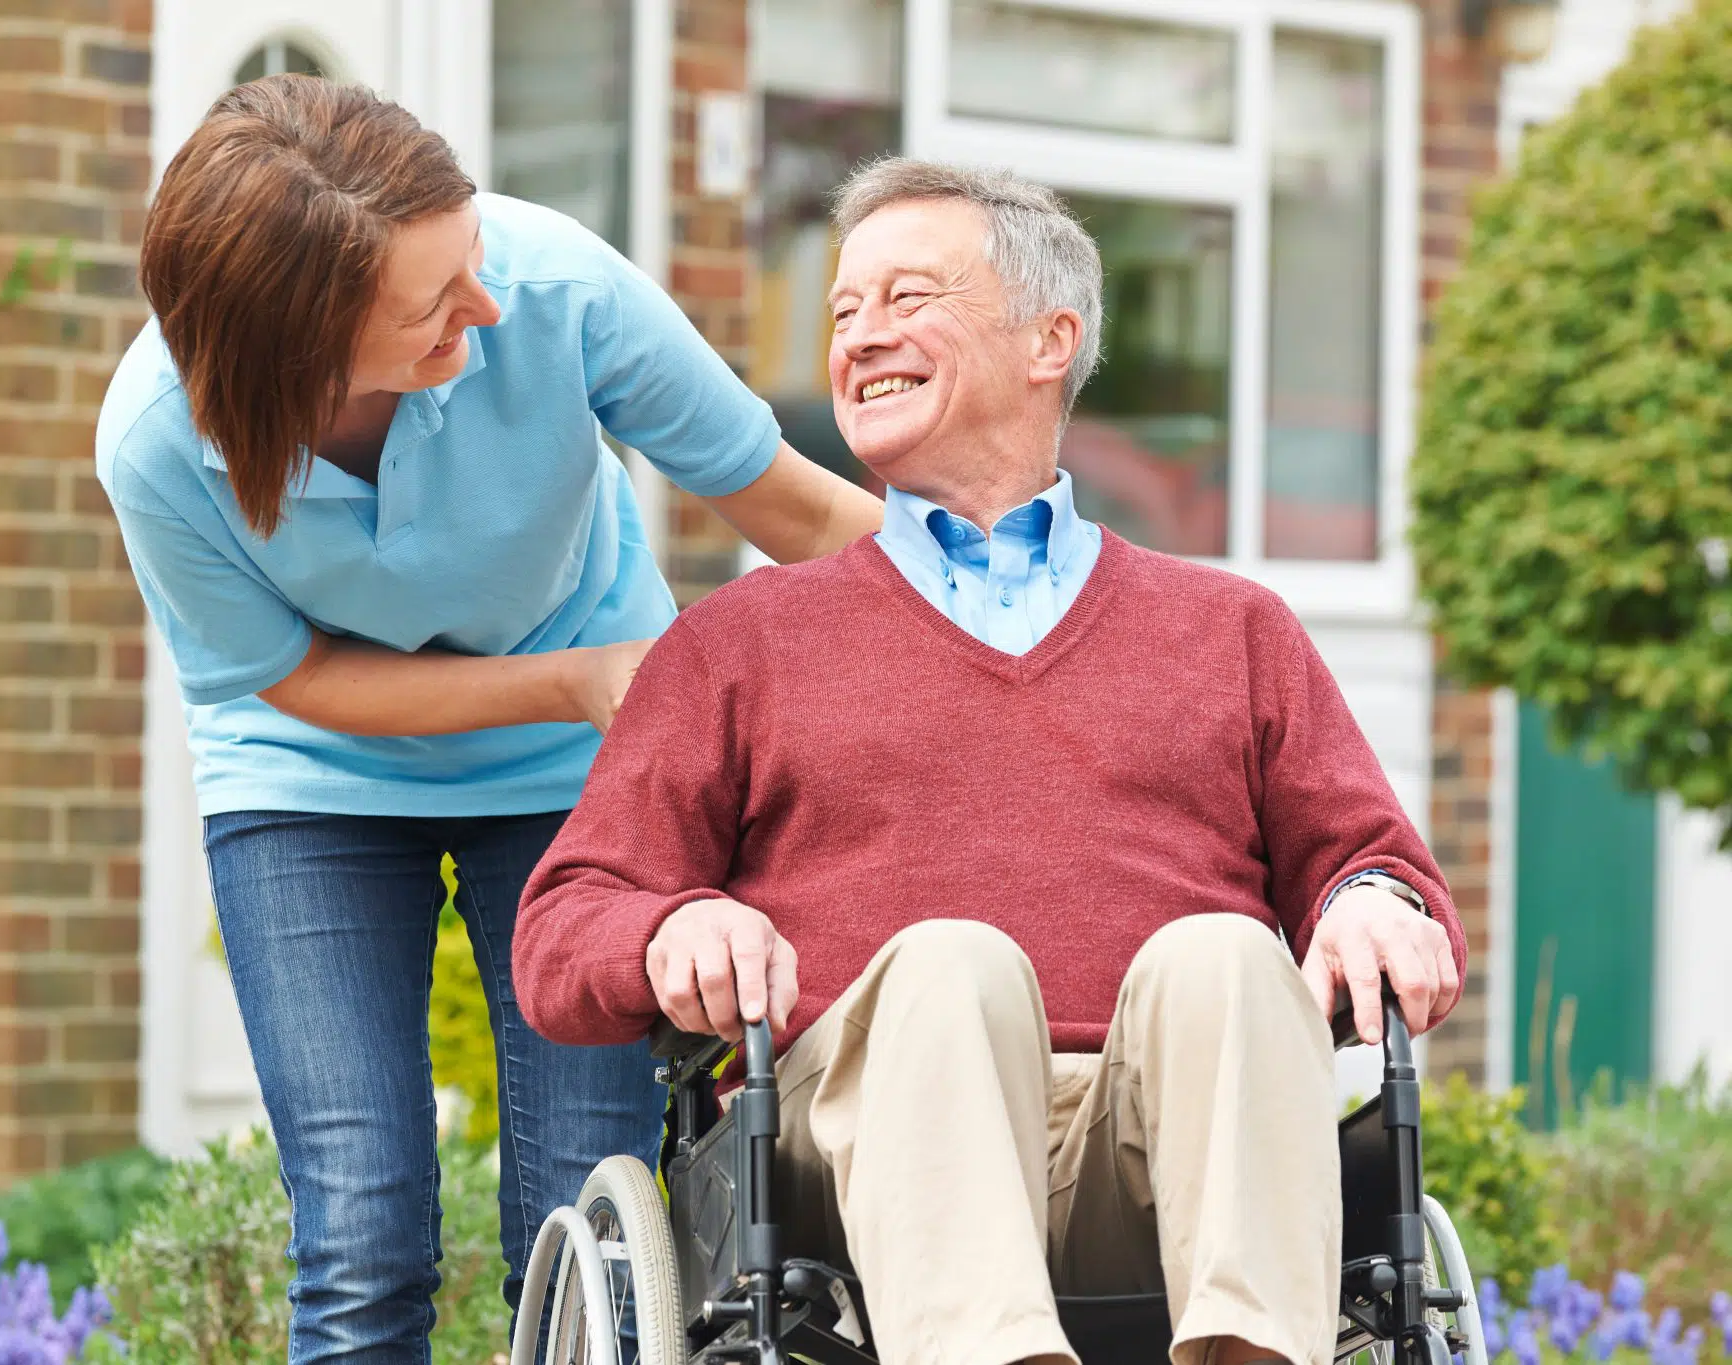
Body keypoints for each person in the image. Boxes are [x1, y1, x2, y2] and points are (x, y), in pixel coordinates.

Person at [514, 159, 1465, 1365]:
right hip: (855, 1156)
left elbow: (1374, 861)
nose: (860, 337)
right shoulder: (738, 643)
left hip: (1146, 1143)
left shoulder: (1230, 632)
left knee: (1226, 955)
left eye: (907, 298)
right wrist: (667, 931)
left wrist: (1373, 905)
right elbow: (561, 926)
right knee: (949, 966)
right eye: (843, 312)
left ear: (1047, 340)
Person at [94, 76, 882, 1365]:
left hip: (576, 775)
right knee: (361, 1239)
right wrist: (578, 680)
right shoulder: (157, 445)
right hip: (311, 785)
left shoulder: (556, 287)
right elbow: (292, 679)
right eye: (432, 304)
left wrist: (1030, 598)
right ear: (297, 345)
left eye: (470, 256)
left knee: (591, 1217)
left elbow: (794, 512)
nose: (487, 305)